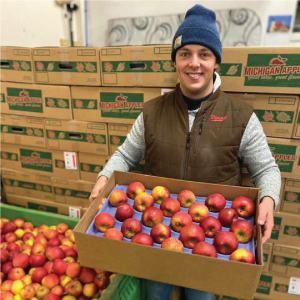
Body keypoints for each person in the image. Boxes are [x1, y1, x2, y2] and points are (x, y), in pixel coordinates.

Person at [89, 4, 281, 300]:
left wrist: (268, 198)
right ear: (174, 62)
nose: (194, 63)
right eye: (184, 54)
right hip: (154, 233)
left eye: (204, 54)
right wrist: (104, 177)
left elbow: (266, 169)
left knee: (200, 297)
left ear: (216, 62)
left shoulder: (241, 116)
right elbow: (125, 155)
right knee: (154, 294)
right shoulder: (152, 113)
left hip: (215, 236)